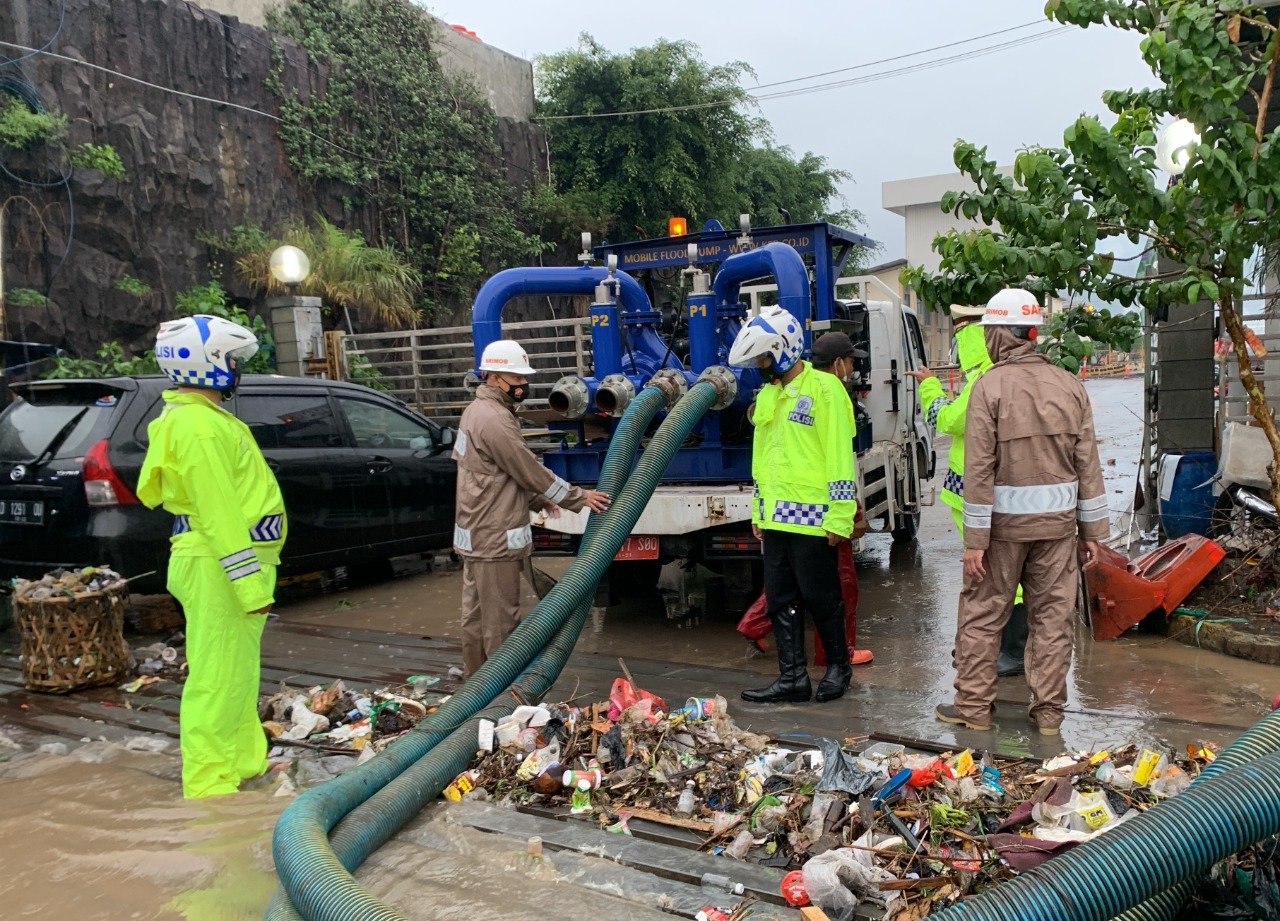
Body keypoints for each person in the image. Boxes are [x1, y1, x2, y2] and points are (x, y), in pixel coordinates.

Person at [935, 289, 1108, 737]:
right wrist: (1093, 532)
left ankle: (974, 709)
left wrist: (975, 542)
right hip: (1058, 530)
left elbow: (978, 468)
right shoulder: (1070, 384)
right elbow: (1087, 463)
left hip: (1001, 533)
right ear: (1031, 333)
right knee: (1052, 619)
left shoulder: (989, 387)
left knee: (981, 614)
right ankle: (1049, 715)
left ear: (997, 333)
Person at [137, 315, 284, 799]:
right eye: (233, 360)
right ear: (210, 364)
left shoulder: (203, 419)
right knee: (217, 680)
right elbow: (219, 513)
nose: (238, 370)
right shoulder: (199, 427)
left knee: (237, 674)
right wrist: (248, 586)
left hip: (219, 564)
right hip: (220, 567)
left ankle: (243, 763)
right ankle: (209, 789)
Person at [454, 339, 610, 676]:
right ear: (494, 376)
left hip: (474, 531)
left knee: (476, 616)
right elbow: (528, 469)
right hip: (494, 535)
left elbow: (491, 475)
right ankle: (498, 693)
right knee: (501, 622)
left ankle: (472, 683)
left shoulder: (475, 412)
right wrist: (577, 497)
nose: (524, 385)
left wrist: (536, 499)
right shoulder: (494, 419)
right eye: (518, 378)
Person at [729, 307, 857, 704]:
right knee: (780, 598)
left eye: (764, 357)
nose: (760, 366)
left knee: (822, 596)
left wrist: (841, 515)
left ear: (785, 350)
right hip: (776, 520)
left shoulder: (825, 389)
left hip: (815, 521)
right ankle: (793, 679)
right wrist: (758, 509)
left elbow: (839, 454)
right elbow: (763, 459)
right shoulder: (770, 395)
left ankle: (838, 669)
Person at [907, 305, 1028, 678]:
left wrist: (929, 387)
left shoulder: (982, 381)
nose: (956, 350)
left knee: (995, 574)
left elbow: (947, 419)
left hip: (978, 495)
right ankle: (1008, 648)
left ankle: (1013, 653)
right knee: (1002, 573)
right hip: (991, 491)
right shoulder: (999, 376)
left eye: (960, 338)